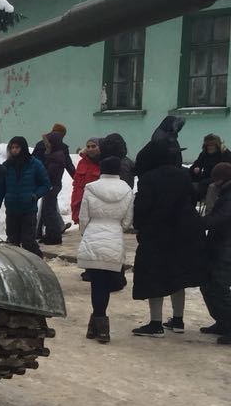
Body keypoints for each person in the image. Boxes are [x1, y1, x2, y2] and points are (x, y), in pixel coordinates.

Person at [131, 138, 206, 336]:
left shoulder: (149, 178)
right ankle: (178, 320)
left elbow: (142, 207)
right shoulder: (183, 175)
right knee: (177, 275)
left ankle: (155, 323)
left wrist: (139, 226)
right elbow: (192, 196)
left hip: (156, 233)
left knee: (154, 276)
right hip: (183, 232)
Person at [77, 156, 133, 343]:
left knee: (97, 283)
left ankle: (100, 327)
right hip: (114, 237)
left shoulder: (91, 188)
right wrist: (116, 227)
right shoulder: (127, 190)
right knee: (106, 285)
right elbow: (127, 221)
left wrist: (85, 232)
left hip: (93, 234)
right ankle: (97, 327)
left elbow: (83, 217)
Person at [0, 136, 50, 255]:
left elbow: (45, 184)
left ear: (23, 148)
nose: (14, 150)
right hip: (12, 209)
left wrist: (35, 195)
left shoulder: (35, 164)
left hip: (28, 209)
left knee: (28, 242)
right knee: (12, 242)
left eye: (17, 147)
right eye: (12, 147)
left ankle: (37, 263)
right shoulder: (6, 166)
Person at [200, 162, 231, 343]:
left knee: (219, 287)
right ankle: (222, 321)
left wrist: (201, 223)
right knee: (208, 285)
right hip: (219, 246)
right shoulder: (225, 194)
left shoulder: (228, 196)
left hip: (226, 249)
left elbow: (221, 219)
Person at [37, 130, 72, 245]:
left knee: (50, 213)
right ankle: (50, 235)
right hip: (52, 186)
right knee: (48, 211)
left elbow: (50, 174)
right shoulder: (54, 155)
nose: (46, 145)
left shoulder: (55, 157)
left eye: (48, 143)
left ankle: (54, 237)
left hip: (52, 186)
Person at [189, 133, 230, 202]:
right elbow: (196, 165)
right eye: (208, 145)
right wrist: (195, 169)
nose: (210, 147)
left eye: (212, 145)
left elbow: (228, 170)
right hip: (205, 178)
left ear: (217, 145)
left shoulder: (225, 154)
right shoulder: (204, 154)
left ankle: (209, 210)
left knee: (209, 186)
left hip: (220, 180)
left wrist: (220, 180)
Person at [70, 138, 102, 224]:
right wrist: (75, 208)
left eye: (93, 146)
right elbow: (76, 188)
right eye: (88, 146)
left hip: (99, 209)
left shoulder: (104, 163)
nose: (90, 149)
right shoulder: (82, 163)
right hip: (83, 208)